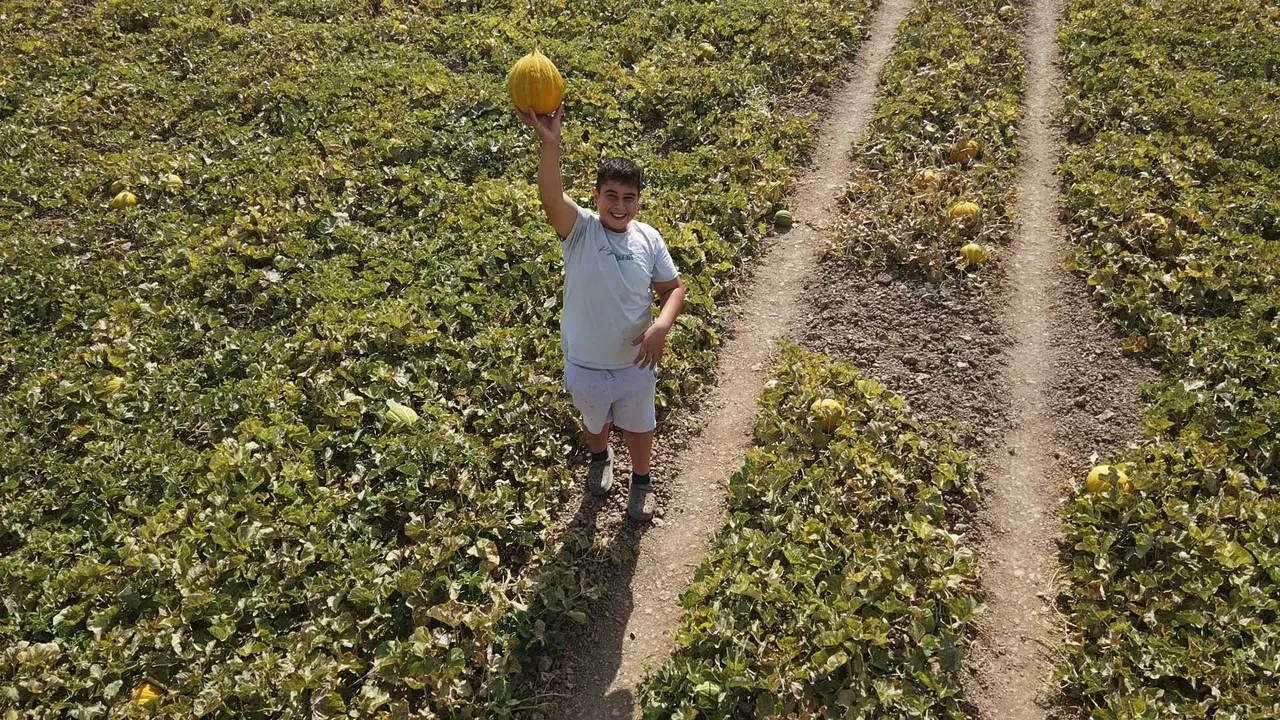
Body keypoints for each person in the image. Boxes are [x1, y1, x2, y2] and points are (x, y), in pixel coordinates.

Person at [519, 103, 686, 522]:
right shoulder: (580, 230)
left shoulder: (648, 239)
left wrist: (662, 326)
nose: (620, 205)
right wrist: (550, 145)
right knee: (594, 420)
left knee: (640, 425)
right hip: (585, 361)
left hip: (635, 362)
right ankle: (600, 457)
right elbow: (550, 196)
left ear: (639, 201)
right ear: (596, 197)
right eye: (611, 196)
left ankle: (642, 481)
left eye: (629, 198)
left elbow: (673, 289)